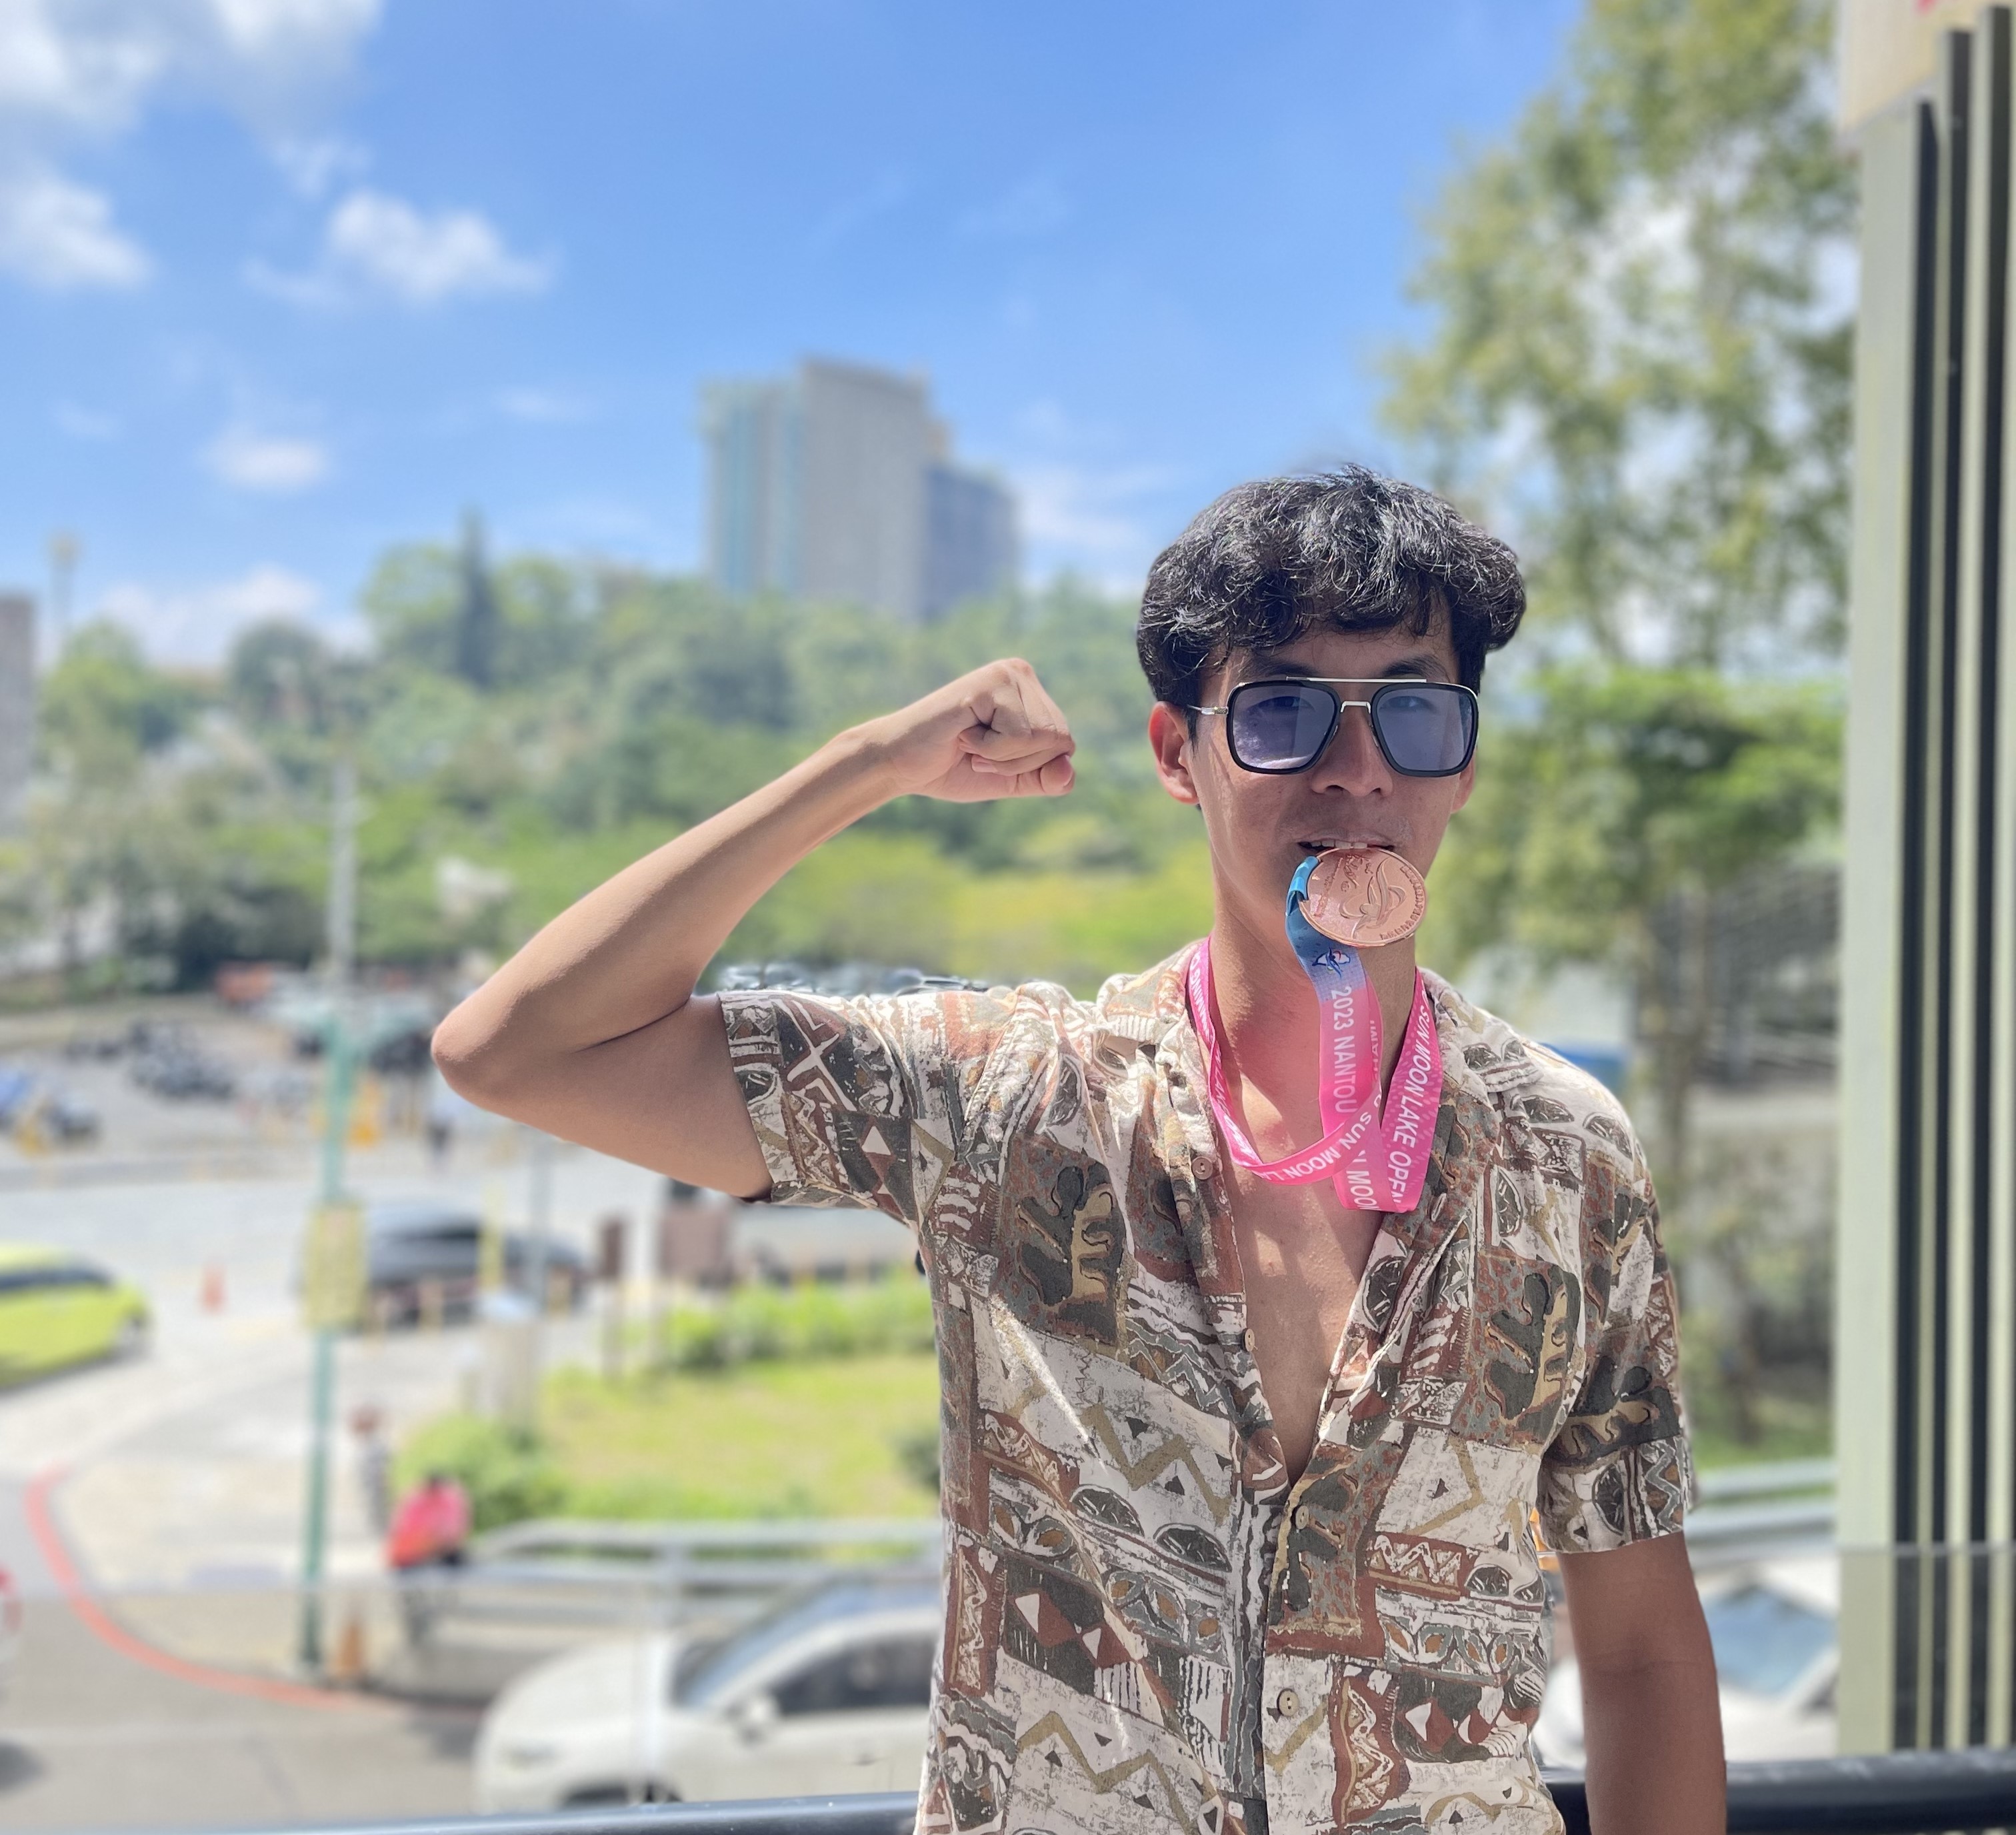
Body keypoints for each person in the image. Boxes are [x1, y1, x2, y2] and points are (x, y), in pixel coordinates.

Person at [433, 468, 1722, 1835]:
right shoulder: (1013, 1102)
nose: (1360, 770)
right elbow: (516, 1051)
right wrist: (870, 764)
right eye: (1285, 712)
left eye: (1412, 709)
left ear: (1461, 759)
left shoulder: (1566, 1152)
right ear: (1181, 754)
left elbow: (1640, 1647)